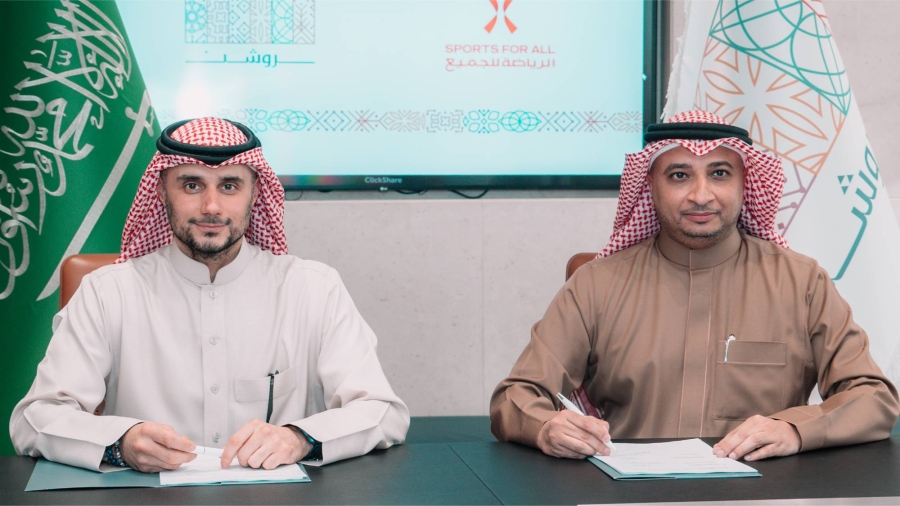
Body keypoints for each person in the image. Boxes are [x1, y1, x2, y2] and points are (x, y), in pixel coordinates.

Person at [490, 110, 899, 463]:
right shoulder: (597, 284)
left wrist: (795, 429)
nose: (701, 195)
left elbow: (873, 397)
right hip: (630, 495)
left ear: (744, 183)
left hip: (762, 495)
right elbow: (515, 397)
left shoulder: (801, 282)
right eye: (679, 175)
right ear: (651, 185)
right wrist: (546, 427)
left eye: (719, 174)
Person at [10, 117, 409, 472]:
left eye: (229, 186)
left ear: (255, 194)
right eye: (191, 185)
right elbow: (34, 419)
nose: (211, 206)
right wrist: (120, 443)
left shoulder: (312, 289)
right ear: (161, 192)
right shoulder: (107, 293)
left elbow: (382, 411)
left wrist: (299, 438)